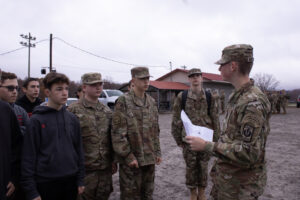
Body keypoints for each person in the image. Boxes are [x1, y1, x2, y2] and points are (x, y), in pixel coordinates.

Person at [186, 44, 271, 200]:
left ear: (233, 66)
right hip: (228, 183)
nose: (219, 70)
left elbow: (249, 152)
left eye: (221, 65)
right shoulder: (237, 96)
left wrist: (207, 146)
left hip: (240, 188)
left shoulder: (252, 102)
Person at [21, 72, 85, 200]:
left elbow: (79, 151)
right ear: (47, 92)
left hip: (70, 181)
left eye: (66, 88)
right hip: (46, 183)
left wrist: (80, 180)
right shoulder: (36, 120)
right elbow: (28, 156)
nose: (65, 93)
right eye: (59, 89)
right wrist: (31, 191)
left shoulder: (72, 119)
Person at [111, 67, 162, 200]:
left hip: (149, 160)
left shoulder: (151, 102)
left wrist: (157, 152)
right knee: (130, 196)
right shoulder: (123, 101)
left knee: (148, 195)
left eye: (148, 78)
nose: (146, 81)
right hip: (132, 162)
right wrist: (128, 156)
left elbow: (155, 130)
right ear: (133, 80)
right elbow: (117, 134)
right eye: (142, 79)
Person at [171, 68, 220, 200]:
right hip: (189, 139)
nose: (195, 78)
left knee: (203, 166)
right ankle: (193, 192)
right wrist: (178, 140)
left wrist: (215, 141)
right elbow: (176, 120)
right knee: (191, 167)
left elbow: (215, 119)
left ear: (202, 78)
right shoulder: (183, 97)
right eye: (192, 76)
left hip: (205, 140)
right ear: (189, 79)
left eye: (198, 75)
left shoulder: (210, 97)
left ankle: (202, 191)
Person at [68, 73, 117, 200]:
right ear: (84, 87)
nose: (98, 88)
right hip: (84, 172)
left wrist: (113, 160)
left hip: (104, 171)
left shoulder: (106, 111)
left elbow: (111, 138)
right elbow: (68, 142)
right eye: (93, 85)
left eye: (100, 84)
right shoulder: (73, 110)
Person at [0, 69, 22, 200]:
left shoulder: (6, 110)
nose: (14, 91)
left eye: (16, 88)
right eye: (10, 88)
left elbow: (17, 147)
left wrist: (14, 178)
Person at [0, 71, 29, 136]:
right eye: (10, 88)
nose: (15, 92)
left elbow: (29, 130)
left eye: (17, 88)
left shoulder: (21, 111)